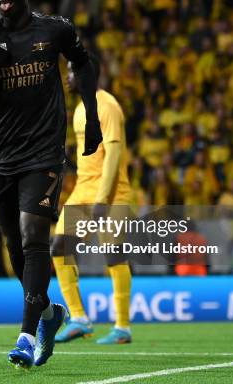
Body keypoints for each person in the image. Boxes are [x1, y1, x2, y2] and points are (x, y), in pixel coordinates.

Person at [0, 0, 102, 368]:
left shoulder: (54, 30)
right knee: (15, 247)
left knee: (34, 234)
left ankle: (25, 335)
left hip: (44, 153)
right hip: (2, 157)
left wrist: (90, 115)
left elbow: (84, 63)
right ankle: (49, 313)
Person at [52, 57, 133, 345]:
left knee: (113, 256)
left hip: (111, 193)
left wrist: (102, 200)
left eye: (72, 71)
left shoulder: (107, 105)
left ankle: (122, 327)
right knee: (59, 246)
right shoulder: (79, 111)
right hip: (84, 190)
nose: (68, 76)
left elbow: (113, 155)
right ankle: (79, 318)